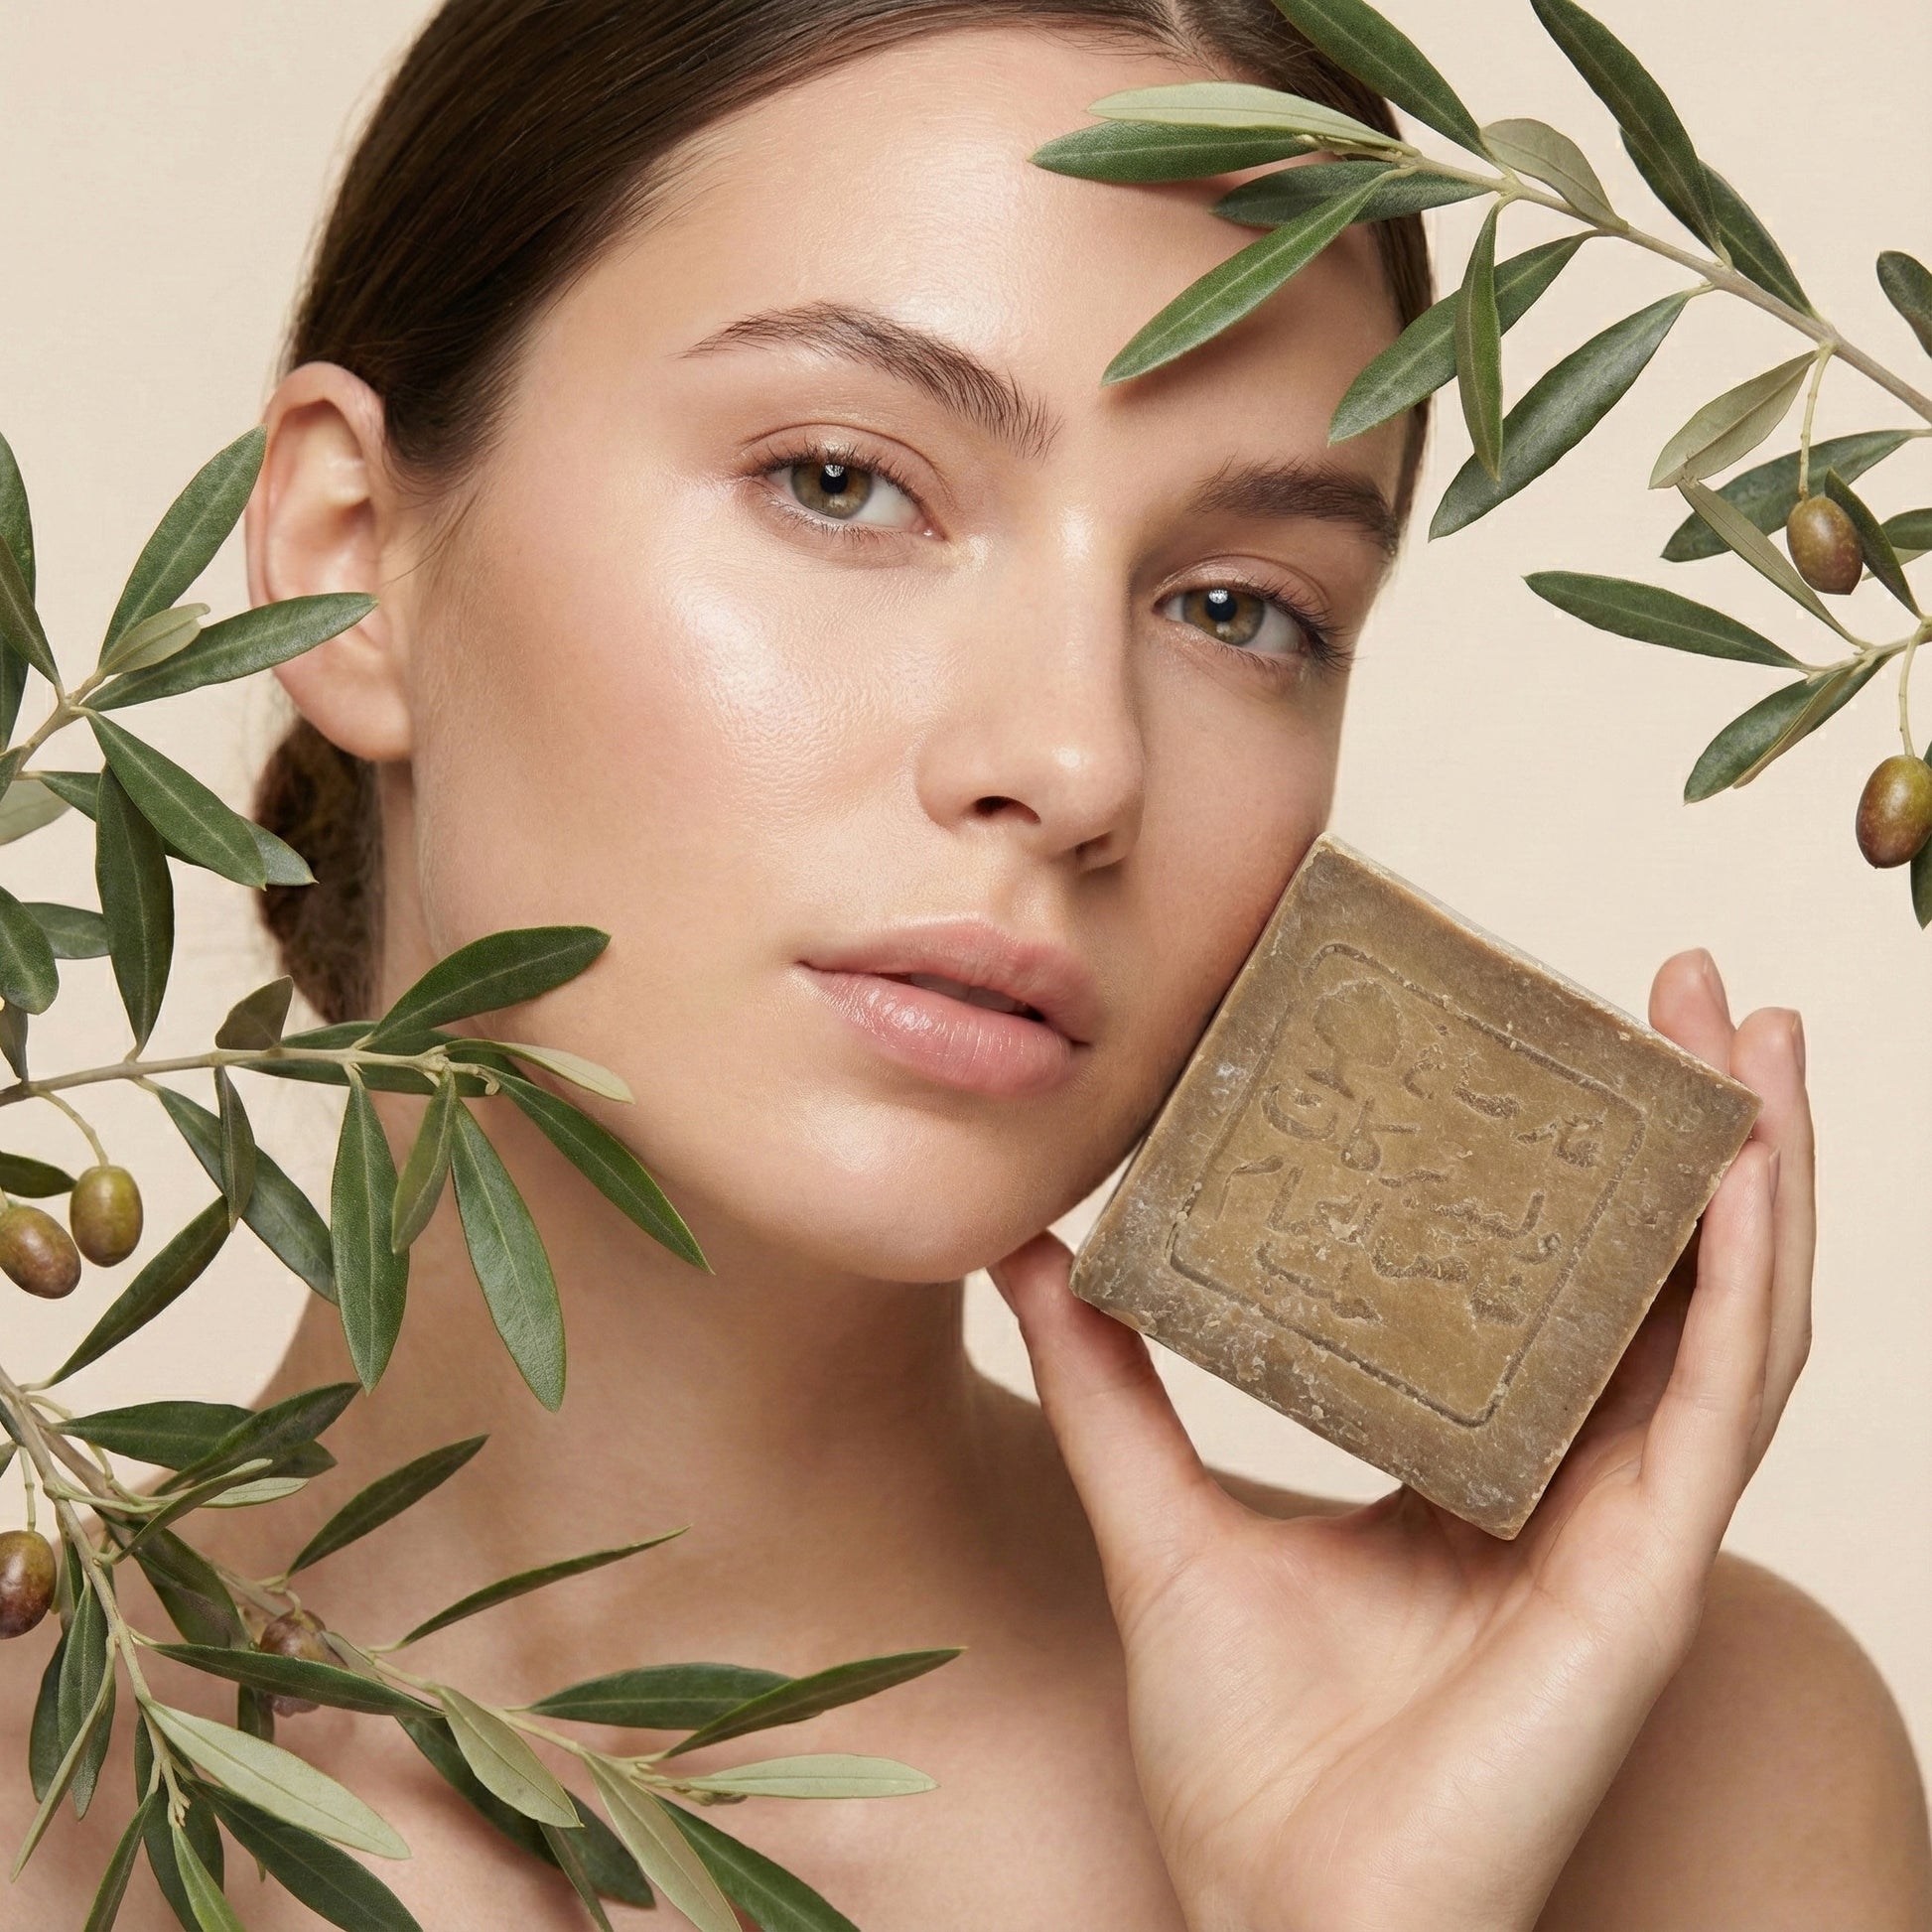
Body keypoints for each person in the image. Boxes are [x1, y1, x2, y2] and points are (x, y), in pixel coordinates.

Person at [6, 0, 1930, 1925]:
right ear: (353, 552)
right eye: (842, 482)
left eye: (1236, 607)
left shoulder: (1689, 1776)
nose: (1077, 759)